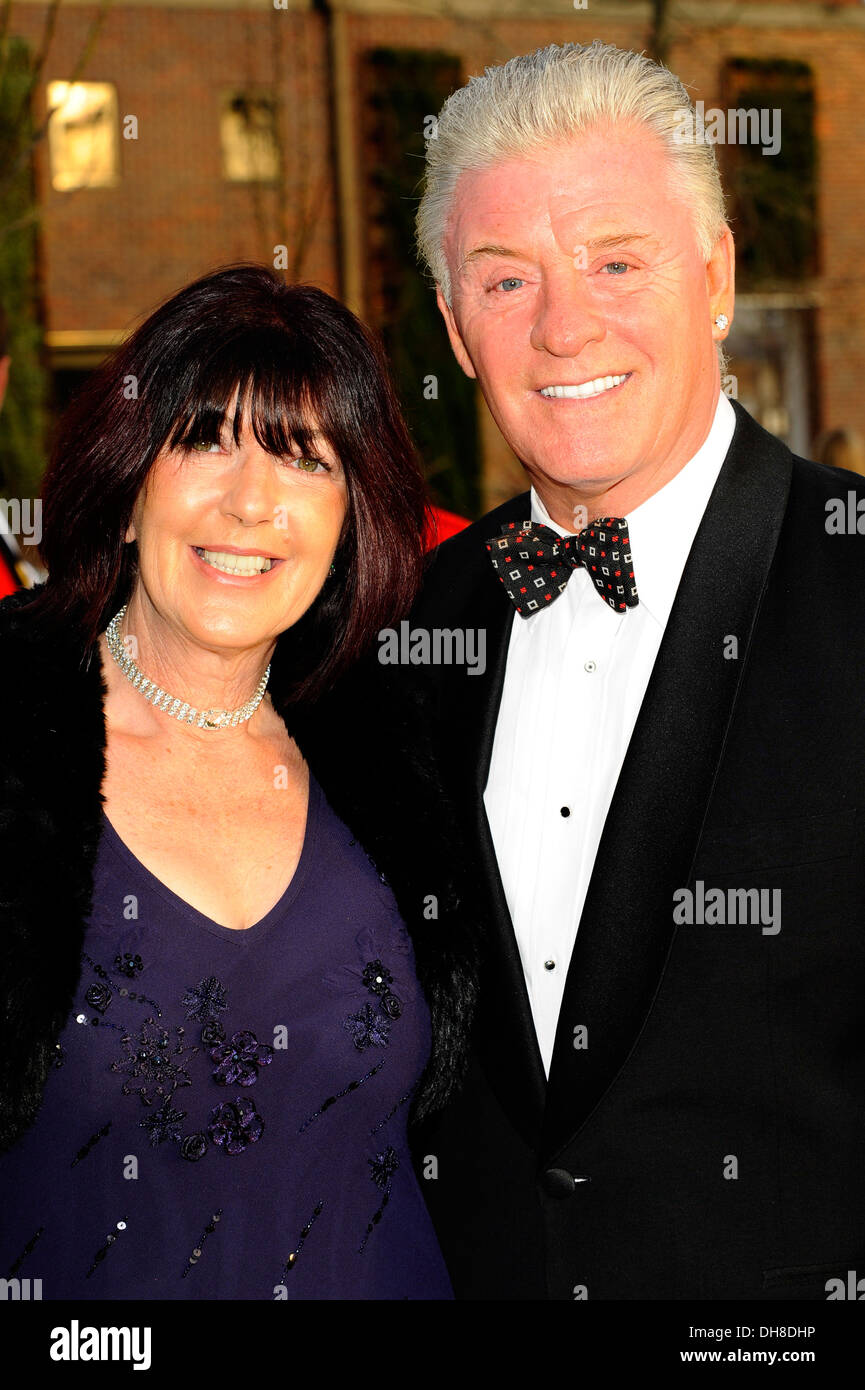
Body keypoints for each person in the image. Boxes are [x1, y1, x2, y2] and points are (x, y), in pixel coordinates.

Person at [405, 40, 865, 1300]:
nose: (564, 326)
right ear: (455, 330)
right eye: (506, 280)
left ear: (714, 277)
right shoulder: (409, 627)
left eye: (616, 261)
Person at [0, 263, 477, 1300]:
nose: (251, 500)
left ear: (350, 520)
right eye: (205, 440)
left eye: (304, 459)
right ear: (128, 486)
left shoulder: (413, 748)